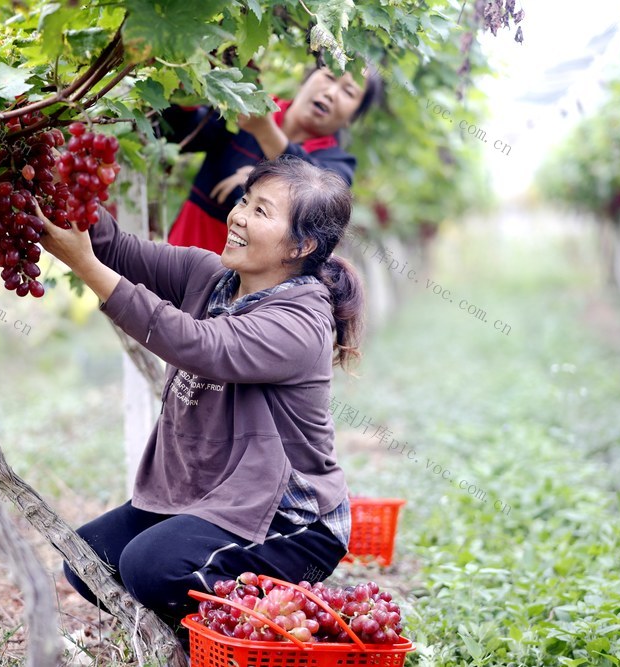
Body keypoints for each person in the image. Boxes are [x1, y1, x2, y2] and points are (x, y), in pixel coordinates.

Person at [38, 155, 366, 637]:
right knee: (86, 561)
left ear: (302, 245)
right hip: (215, 497)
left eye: (261, 212)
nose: (238, 216)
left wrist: (83, 266)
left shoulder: (300, 323)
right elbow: (114, 247)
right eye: (245, 201)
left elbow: (200, 346)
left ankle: (276, 629)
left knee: (150, 569)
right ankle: (193, 635)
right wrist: (53, 175)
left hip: (288, 523)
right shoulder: (209, 277)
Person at [162, 63, 382, 253]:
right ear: (305, 80)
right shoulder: (250, 109)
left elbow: (315, 200)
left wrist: (261, 176)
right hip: (180, 260)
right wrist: (185, 90)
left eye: (349, 92)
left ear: (351, 118)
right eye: (329, 76)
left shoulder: (337, 166)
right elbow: (179, 133)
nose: (331, 93)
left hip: (243, 294)